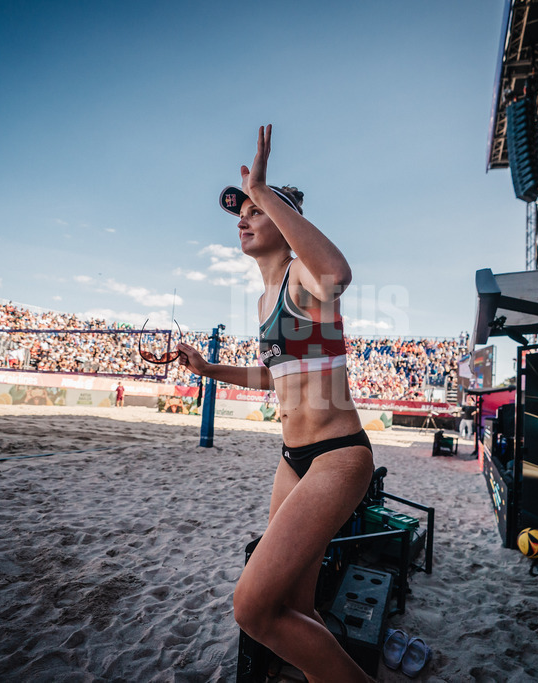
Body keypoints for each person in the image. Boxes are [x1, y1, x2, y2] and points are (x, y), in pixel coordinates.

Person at [177, 125, 376, 683]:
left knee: (252, 607)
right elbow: (275, 377)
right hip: (293, 459)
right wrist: (210, 370)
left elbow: (339, 273)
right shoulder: (267, 297)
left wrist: (267, 191)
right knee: (295, 608)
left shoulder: (303, 278)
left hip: (337, 456)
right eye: (240, 211)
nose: (243, 218)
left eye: (254, 211)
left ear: (283, 222)